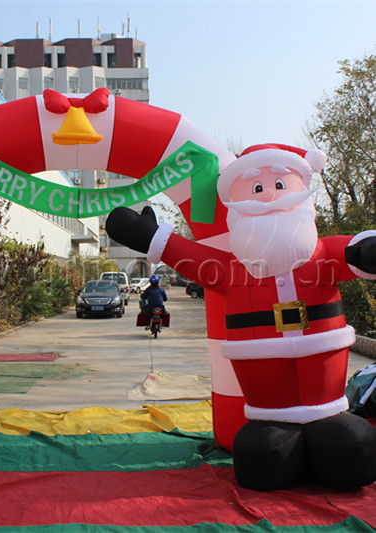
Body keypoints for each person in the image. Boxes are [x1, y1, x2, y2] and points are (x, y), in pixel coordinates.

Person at [106, 143, 376, 491]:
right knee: (265, 453)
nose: (268, 197)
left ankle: (328, 426)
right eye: (257, 188)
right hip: (267, 397)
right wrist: (152, 237)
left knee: (347, 449)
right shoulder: (231, 270)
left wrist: (366, 251)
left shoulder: (323, 255)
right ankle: (277, 432)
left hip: (326, 388)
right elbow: (192, 258)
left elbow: (355, 252)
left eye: (279, 185)